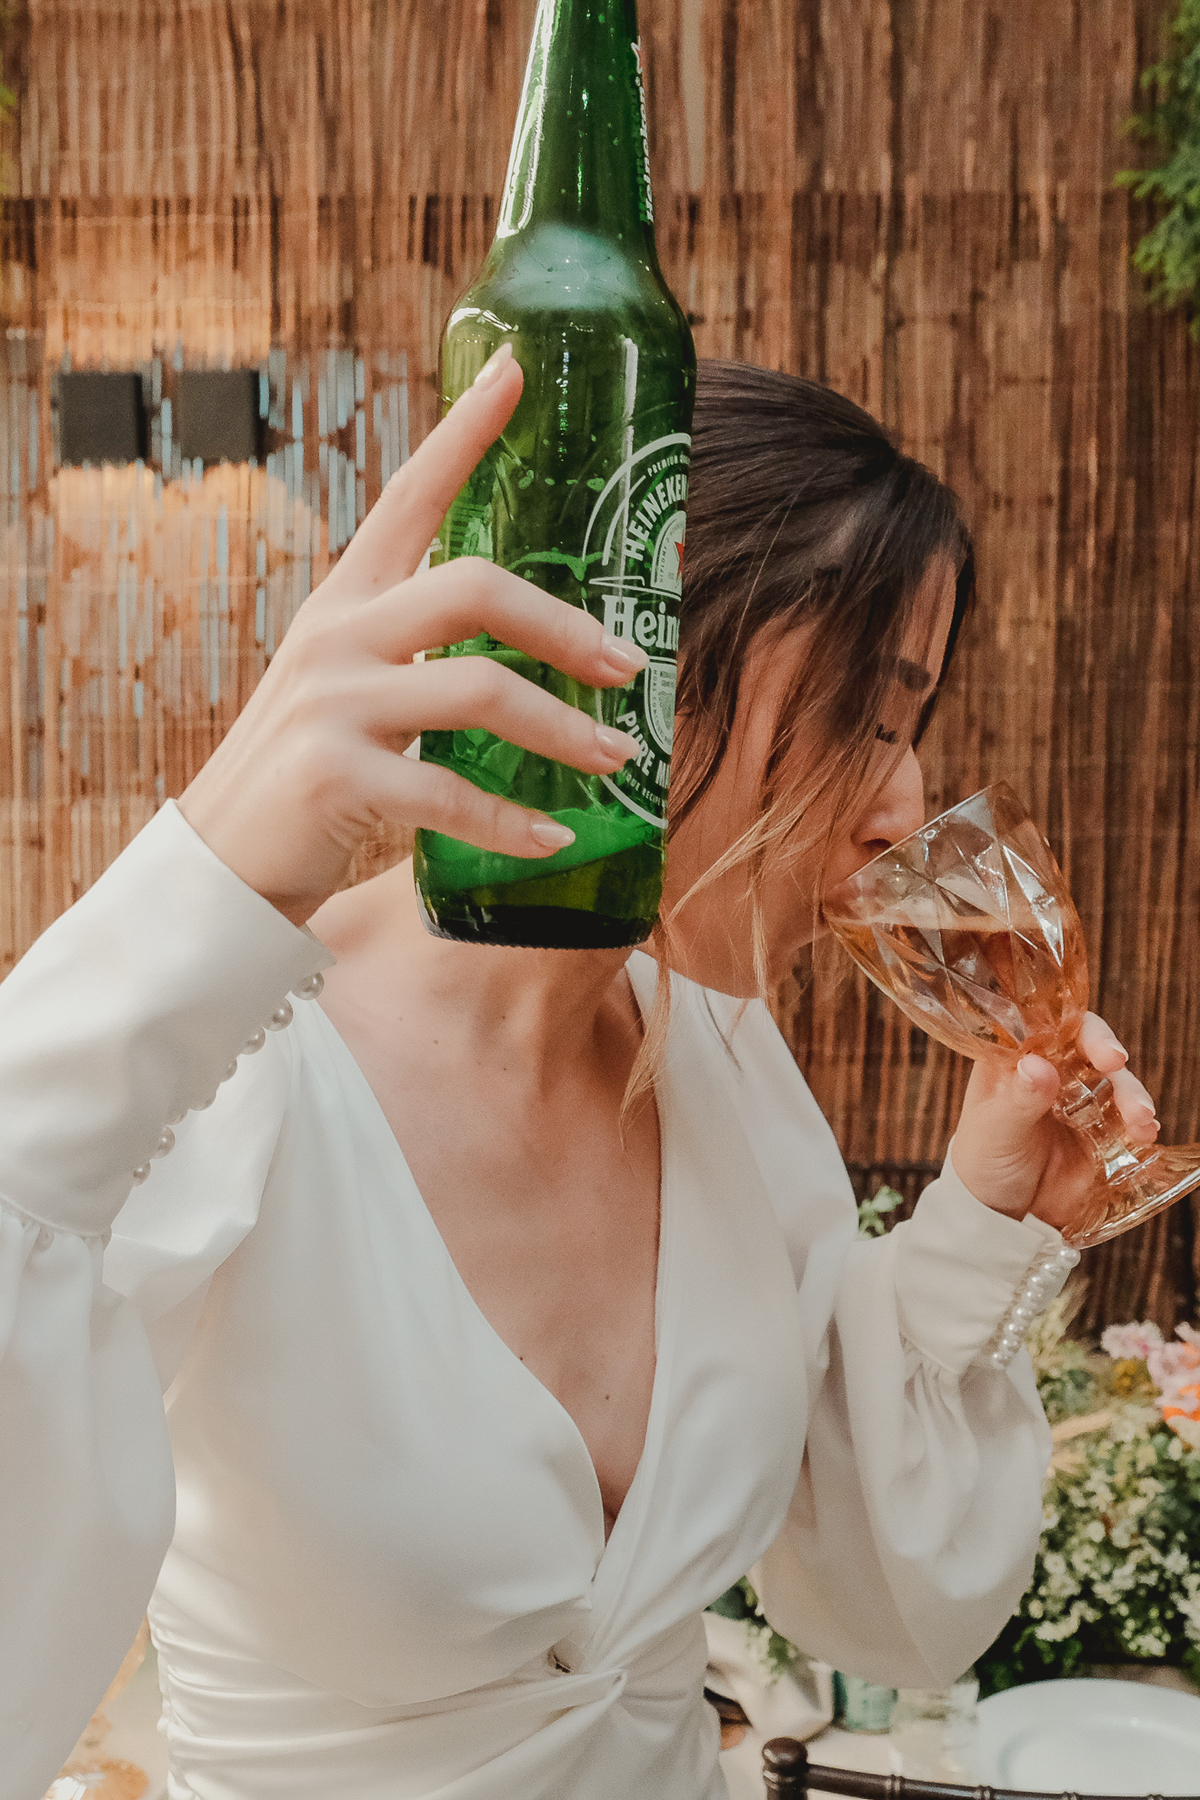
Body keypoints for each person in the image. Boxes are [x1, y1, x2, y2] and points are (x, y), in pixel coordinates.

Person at [0, 351, 1156, 1800]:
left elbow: (886, 1609)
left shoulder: (723, 1059)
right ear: (638, 659)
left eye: (909, 728)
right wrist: (212, 871)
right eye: (868, 715)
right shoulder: (245, 1071)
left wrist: (986, 1228)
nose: (902, 804)